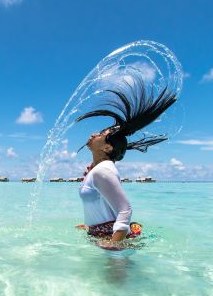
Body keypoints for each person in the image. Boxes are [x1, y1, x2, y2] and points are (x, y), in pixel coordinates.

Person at [74, 79, 177, 248]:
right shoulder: (98, 169)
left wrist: (113, 246)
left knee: (116, 275)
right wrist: (90, 225)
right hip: (103, 235)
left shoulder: (103, 169)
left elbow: (125, 210)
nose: (94, 134)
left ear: (108, 147)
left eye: (101, 134)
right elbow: (105, 202)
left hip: (113, 239)